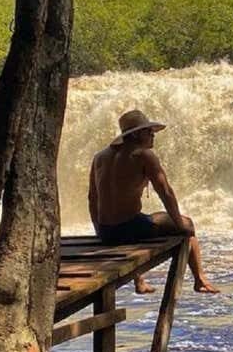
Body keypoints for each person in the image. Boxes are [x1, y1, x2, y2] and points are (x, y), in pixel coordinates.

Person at [88, 109, 219, 294]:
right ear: (135, 134)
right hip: (130, 227)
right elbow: (165, 192)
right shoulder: (143, 155)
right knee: (188, 225)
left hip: (106, 231)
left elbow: (92, 198)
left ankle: (139, 282)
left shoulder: (99, 157)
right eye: (148, 131)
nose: (153, 135)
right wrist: (179, 223)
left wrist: (99, 230)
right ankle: (200, 279)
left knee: (142, 219)